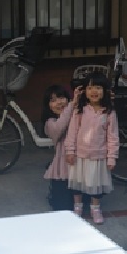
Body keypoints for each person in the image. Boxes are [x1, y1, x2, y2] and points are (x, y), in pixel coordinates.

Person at [64, 71, 119, 224]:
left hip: (98, 156)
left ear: (105, 91)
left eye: (98, 88)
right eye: (90, 88)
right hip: (79, 155)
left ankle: (95, 208)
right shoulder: (80, 111)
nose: (94, 91)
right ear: (84, 92)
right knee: (77, 182)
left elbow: (113, 137)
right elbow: (72, 132)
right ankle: (78, 206)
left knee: (96, 184)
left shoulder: (109, 113)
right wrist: (70, 151)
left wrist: (112, 157)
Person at [42, 83, 82, 211]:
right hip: (62, 172)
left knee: (84, 203)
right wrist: (71, 105)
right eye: (53, 100)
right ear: (48, 106)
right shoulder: (50, 123)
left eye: (61, 97)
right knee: (62, 207)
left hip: (81, 168)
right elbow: (60, 127)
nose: (59, 102)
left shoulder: (78, 115)